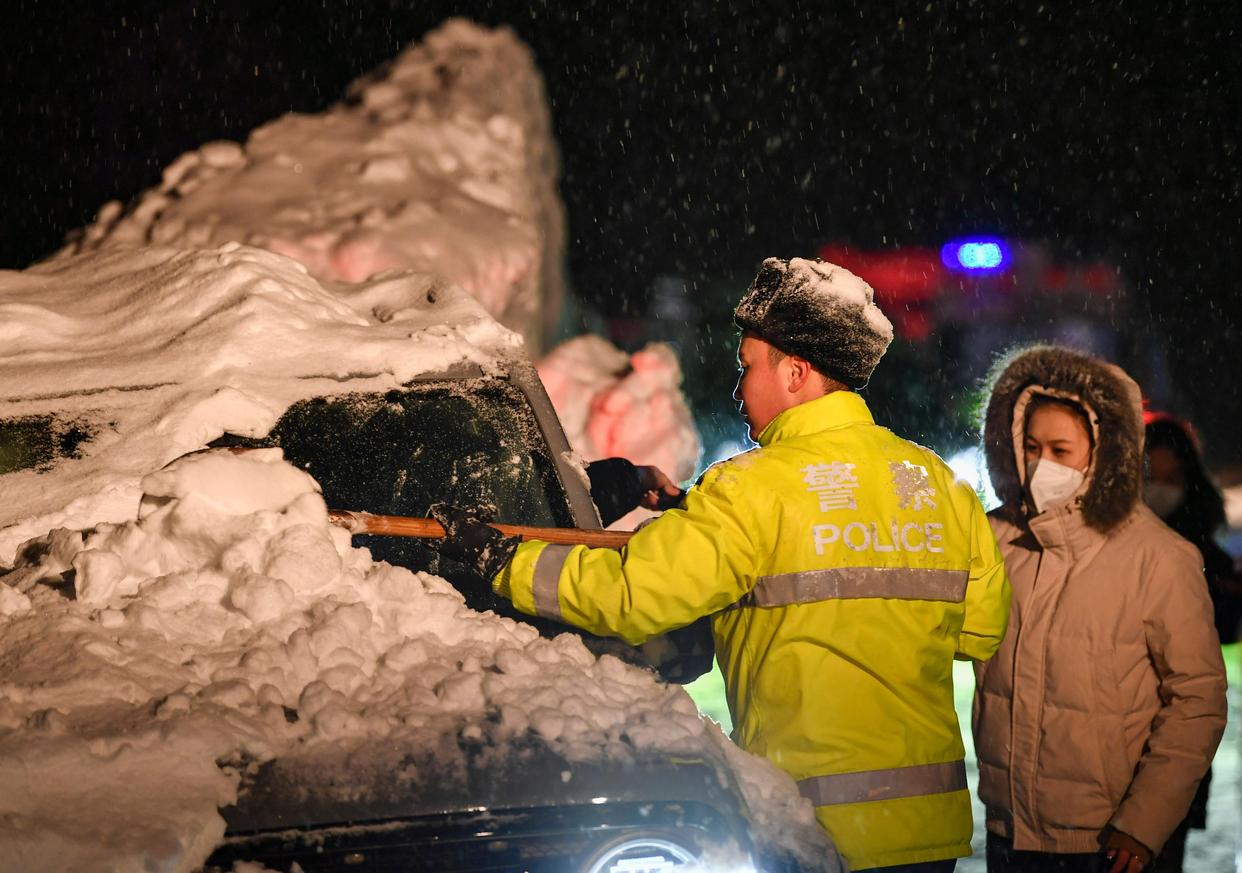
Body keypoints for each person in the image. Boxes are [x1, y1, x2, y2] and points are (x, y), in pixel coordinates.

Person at [426, 257, 1012, 872]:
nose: (738, 390)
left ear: (795, 372)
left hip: (814, 829)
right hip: (929, 831)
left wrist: (503, 561)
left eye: (747, 368)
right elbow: (980, 630)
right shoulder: (936, 483)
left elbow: (631, 597)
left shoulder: (751, 488)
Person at [973, 346, 1227, 873]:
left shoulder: (1159, 558)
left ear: (1103, 451)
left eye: (1061, 450)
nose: (1042, 464)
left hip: (1109, 844)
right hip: (1010, 833)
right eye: (1032, 446)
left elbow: (1196, 701)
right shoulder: (994, 540)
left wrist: (1144, 823)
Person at [1142, 413, 1241, 872]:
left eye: (1170, 476)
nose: (1159, 486)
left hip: (1174, 706)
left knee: (1164, 834)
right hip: (1120, 710)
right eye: (1149, 474)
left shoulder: (1203, 550)